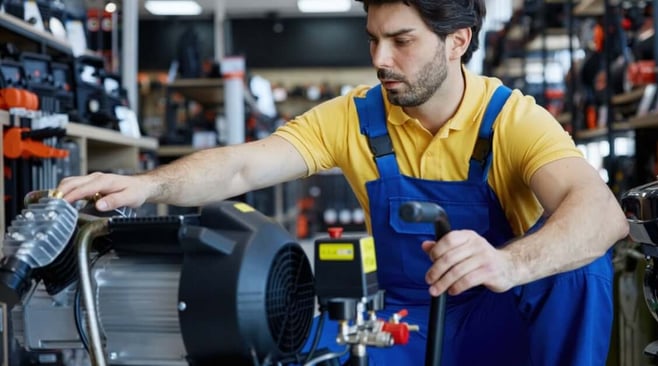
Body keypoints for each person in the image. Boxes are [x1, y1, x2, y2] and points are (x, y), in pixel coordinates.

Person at [56, 0, 629, 365]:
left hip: (498, 317)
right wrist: (147, 186)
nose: (380, 58)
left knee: (579, 269)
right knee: (283, 337)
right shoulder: (355, 116)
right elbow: (243, 166)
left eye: (401, 40)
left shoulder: (511, 119)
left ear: (458, 41)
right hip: (399, 321)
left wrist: (509, 264)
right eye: (372, 38)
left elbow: (601, 214)